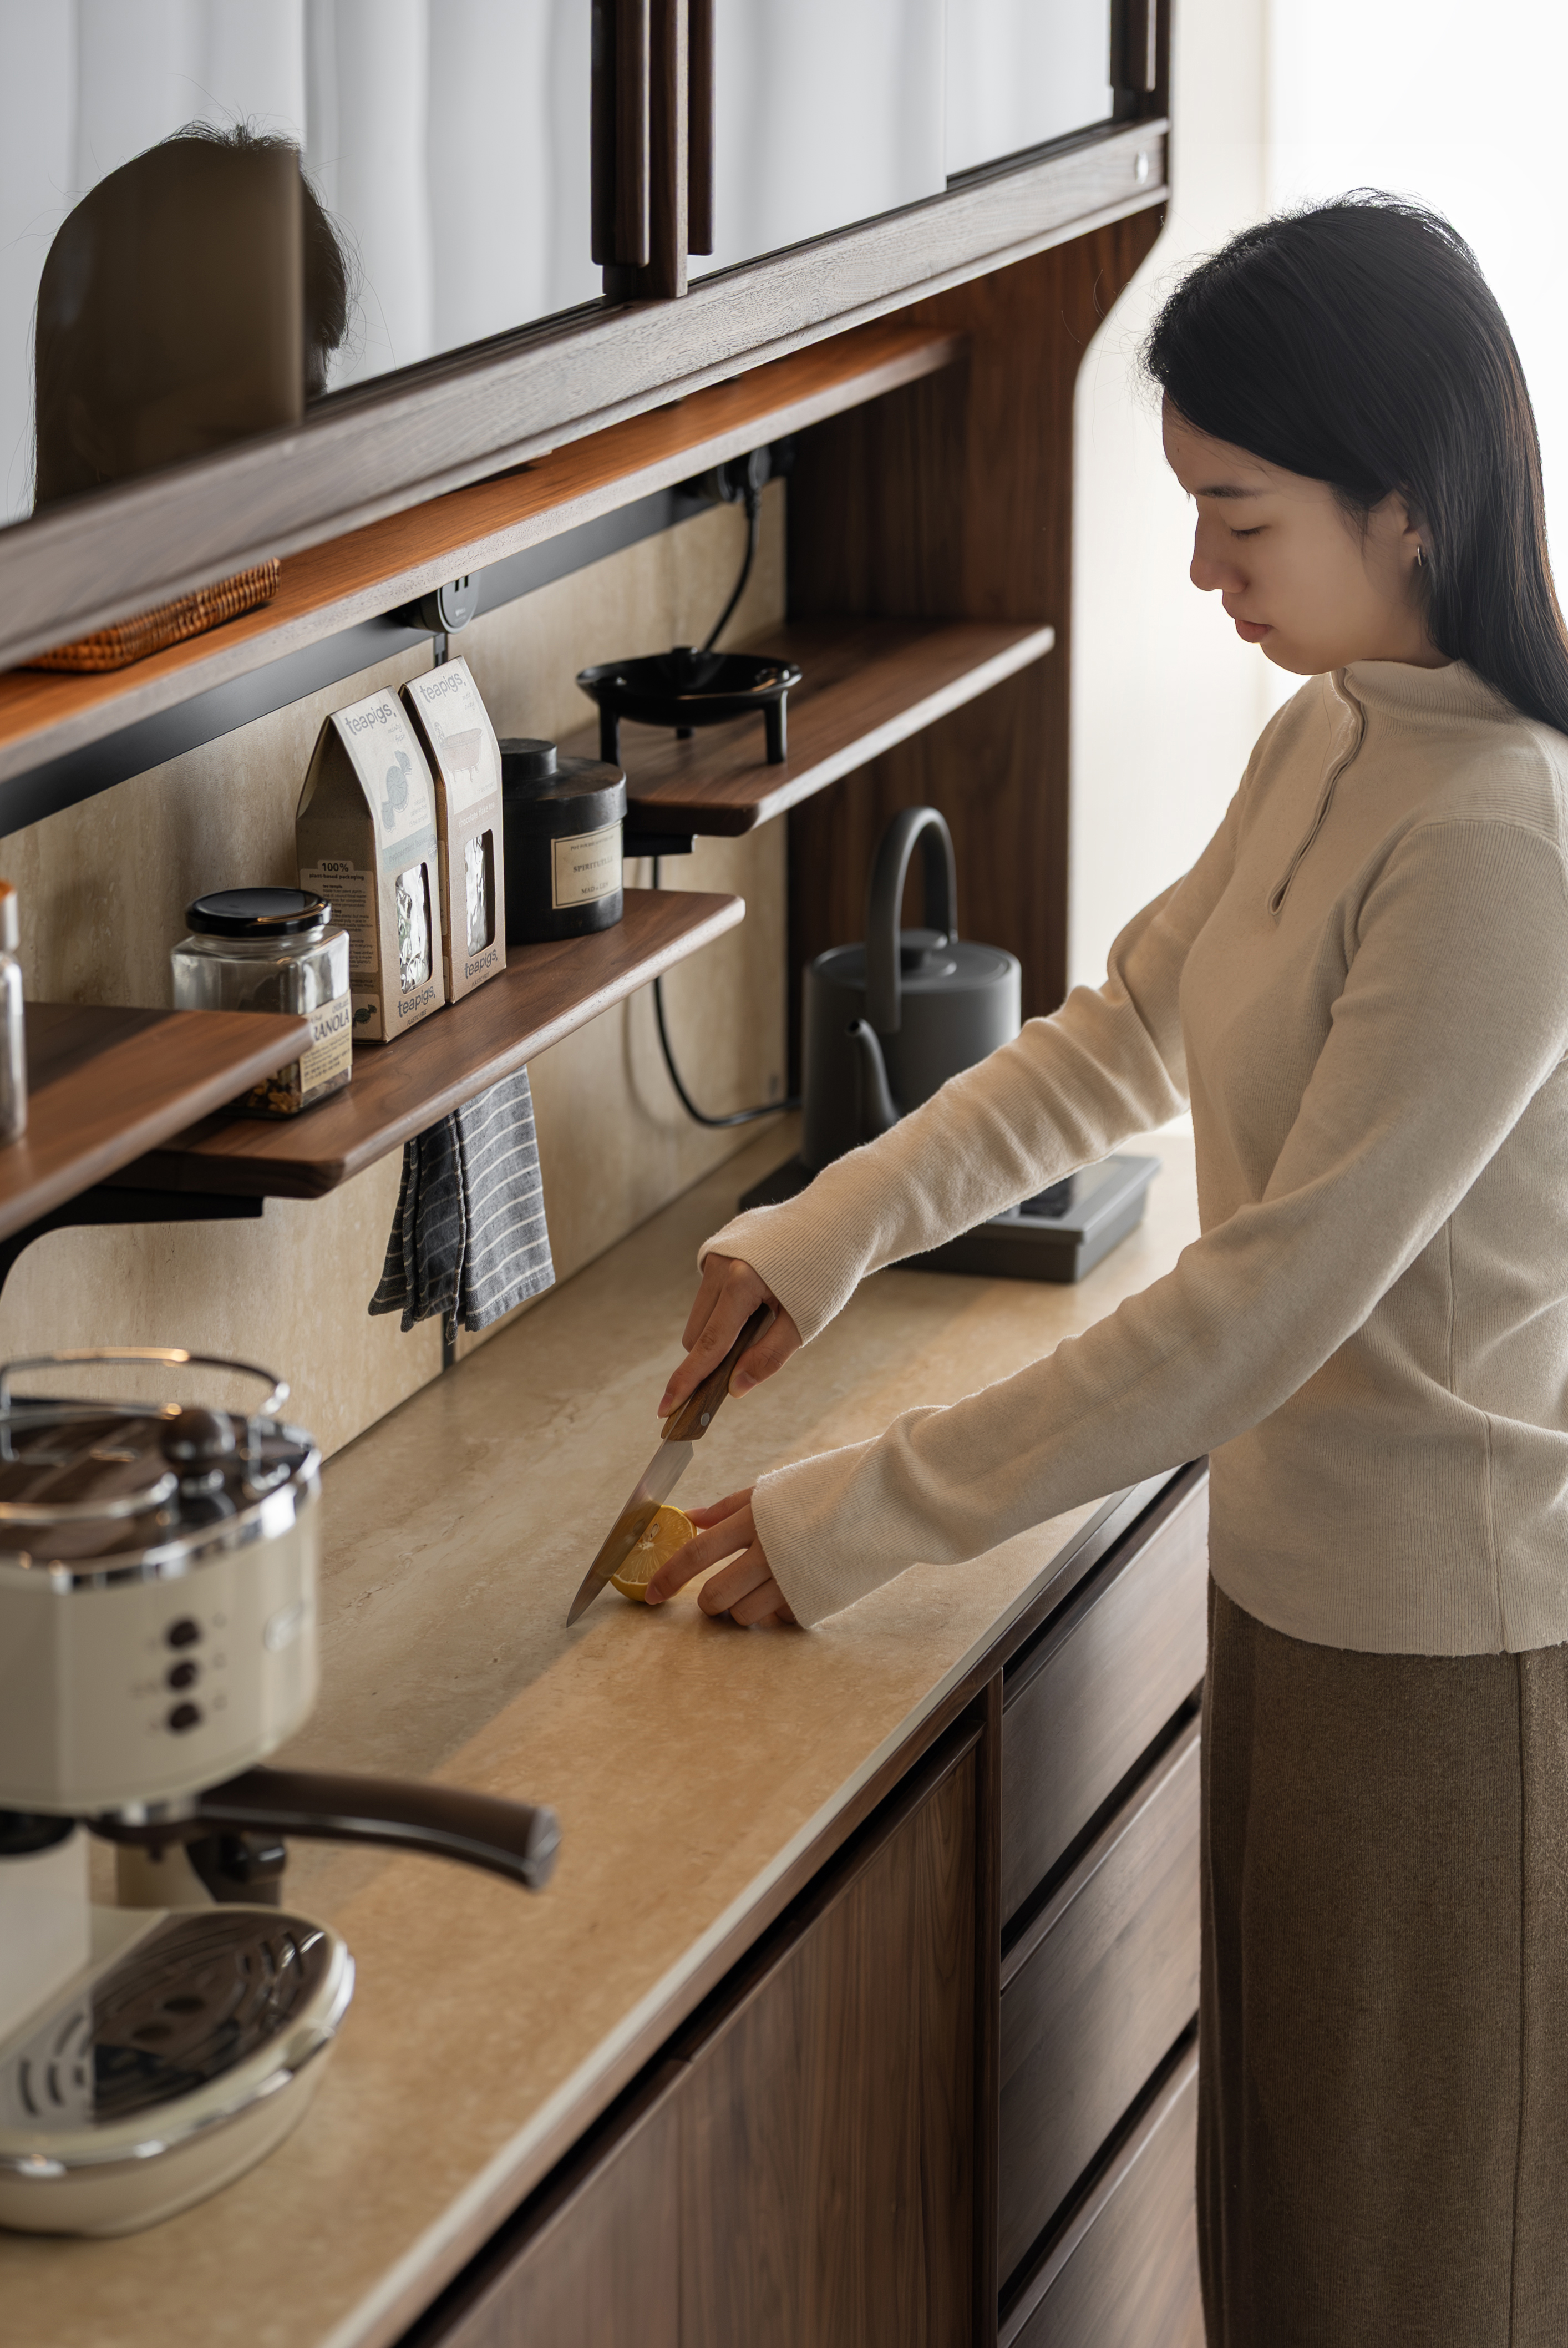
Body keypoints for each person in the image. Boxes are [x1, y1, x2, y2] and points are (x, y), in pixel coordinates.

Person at [645, 194, 1568, 2344]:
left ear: (1405, 508)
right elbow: (1118, 1031)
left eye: (1234, 521)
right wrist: (824, 1223)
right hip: (1295, 1609)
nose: (1194, 575)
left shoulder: (1503, 842)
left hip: (1451, 1675)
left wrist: (850, 1507)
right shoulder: (1328, 737)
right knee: (1282, 2257)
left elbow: (1255, 1306)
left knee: (1414, 2283)